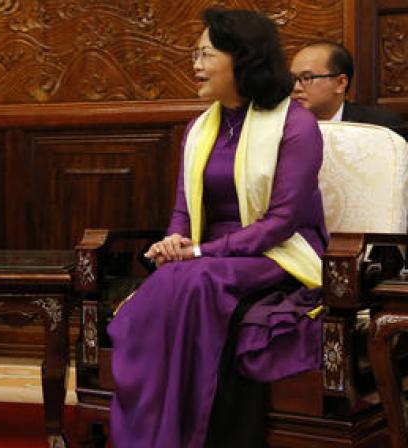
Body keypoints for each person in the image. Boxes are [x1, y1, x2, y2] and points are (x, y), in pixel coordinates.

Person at [108, 8, 327, 448]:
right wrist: (176, 240)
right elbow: (184, 210)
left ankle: (189, 429)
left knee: (197, 279)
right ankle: (156, 425)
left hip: (277, 250)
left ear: (242, 58)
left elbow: (281, 222)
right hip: (209, 253)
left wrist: (202, 253)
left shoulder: (295, 125)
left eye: (206, 54)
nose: (196, 64)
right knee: (177, 276)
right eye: (196, 53)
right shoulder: (200, 126)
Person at [291, 41, 406, 136]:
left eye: (307, 78)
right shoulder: (282, 126)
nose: (296, 88)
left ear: (340, 83)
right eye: (292, 79)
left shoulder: (379, 127)